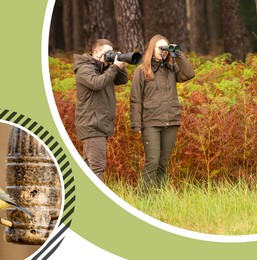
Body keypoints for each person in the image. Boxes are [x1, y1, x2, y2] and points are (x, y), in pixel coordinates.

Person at [130, 34, 195, 192]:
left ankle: (159, 197)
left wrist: (177, 54)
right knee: (152, 161)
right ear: (152, 49)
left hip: (171, 121)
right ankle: (142, 197)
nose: (163, 51)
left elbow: (189, 74)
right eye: (161, 48)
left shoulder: (171, 69)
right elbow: (135, 98)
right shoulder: (142, 71)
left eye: (166, 48)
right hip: (151, 122)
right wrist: (136, 124)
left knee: (163, 163)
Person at [73, 39, 128, 181]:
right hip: (92, 125)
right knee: (97, 168)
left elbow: (122, 81)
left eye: (111, 52)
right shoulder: (85, 69)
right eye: (107, 53)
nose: (110, 55)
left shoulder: (102, 68)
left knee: (89, 169)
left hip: (98, 124)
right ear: (96, 52)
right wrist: (114, 67)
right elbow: (96, 83)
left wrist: (120, 63)